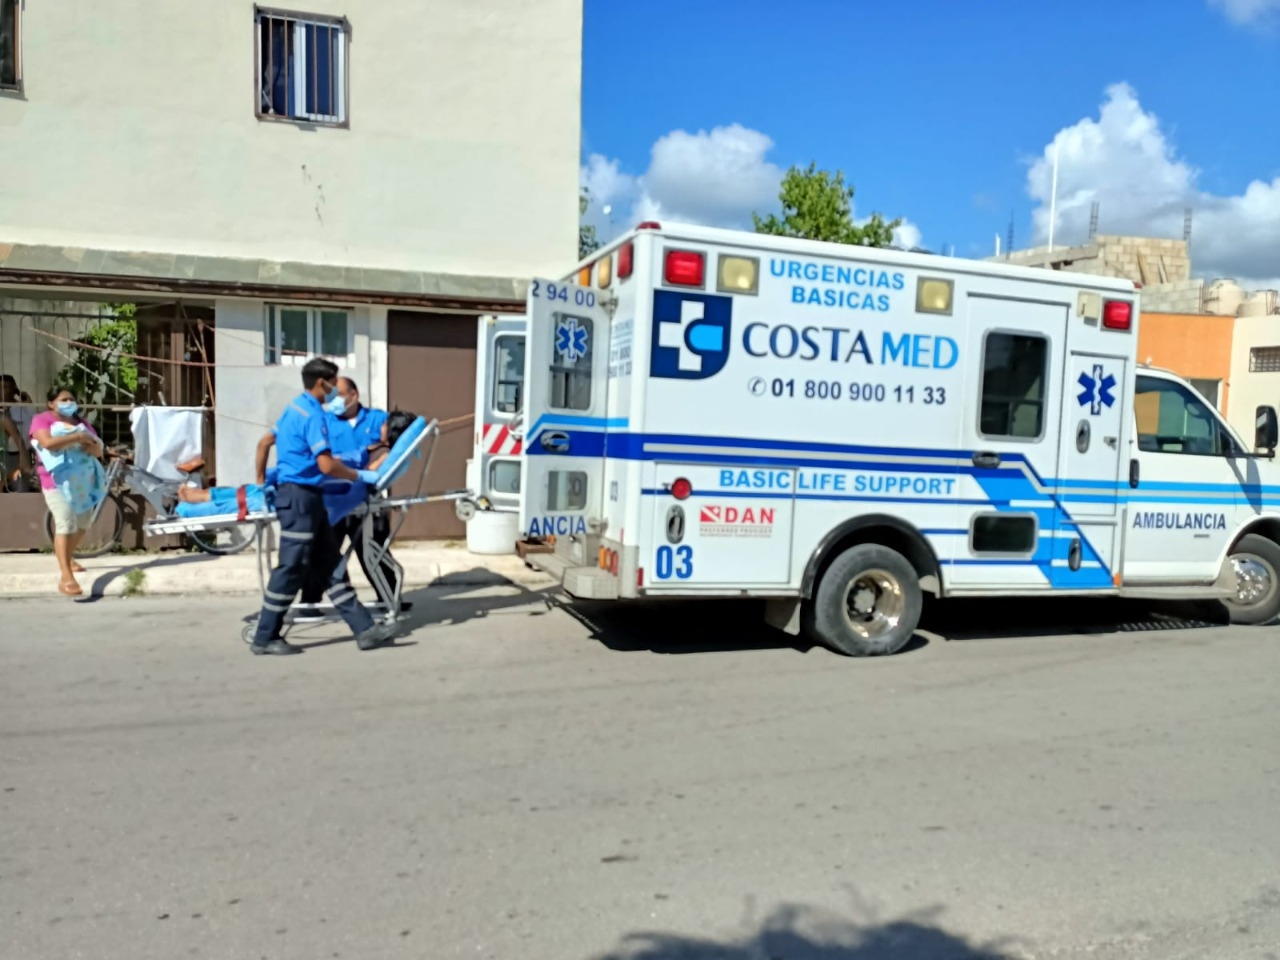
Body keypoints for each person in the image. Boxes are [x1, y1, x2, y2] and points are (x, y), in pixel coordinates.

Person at [248, 357, 394, 656]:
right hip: (301, 499)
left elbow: (264, 443)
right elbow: (326, 465)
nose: (335, 394)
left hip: (304, 498)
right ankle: (265, 636)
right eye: (333, 386)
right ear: (321, 383)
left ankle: (365, 630)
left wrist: (262, 480)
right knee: (291, 568)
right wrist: (359, 475)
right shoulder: (314, 415)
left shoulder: (293, 409)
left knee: (331, 565)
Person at [29, 388, 105, 596]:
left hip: (82, 482)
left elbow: (97, 450)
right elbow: (47, 443)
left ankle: (68, 557)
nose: (69, 402)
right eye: (64, 399)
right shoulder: (41, 420)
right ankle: (66, 577)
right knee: (66, 523)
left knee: (83, 523)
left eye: (72, 398)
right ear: (51, 403)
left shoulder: (81, 422)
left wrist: (88, 441)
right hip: (56, 481)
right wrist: (78, 437)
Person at [1, 374, 33, 491]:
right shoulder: (3, 413)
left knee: (22, 488)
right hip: (7, 455)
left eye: (5, 387)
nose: (1, 391)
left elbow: (33, 426)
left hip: (25, 453)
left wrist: (28, 403)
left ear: (14, 389)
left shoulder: (22, 407)